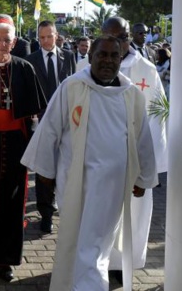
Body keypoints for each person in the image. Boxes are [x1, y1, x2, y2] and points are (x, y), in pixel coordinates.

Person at [21, 35, 157, 291]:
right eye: (101, 55)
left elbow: (142, 139)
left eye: (113, 56)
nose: (107, 61)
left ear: (120, 58)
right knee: (79, 240)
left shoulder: (131, 95)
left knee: (95, 243)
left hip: (113, 186)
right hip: (75, 181)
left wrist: (143, 178)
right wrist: (45, 172)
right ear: (90, 57)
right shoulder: (72, 87)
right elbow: (50, 128)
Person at [0, 16, 46, 281]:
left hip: (16, 144)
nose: (3, 44)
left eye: (7, 40)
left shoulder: (25, 68)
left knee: (13, 203)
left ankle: (5, 259)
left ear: (14, 42)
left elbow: (35, 114)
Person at [101, 17, 168, 280]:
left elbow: (158, 113)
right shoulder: (89, 63)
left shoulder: (147, 70)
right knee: (101, 210)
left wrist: (151, 164)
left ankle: (124, 264)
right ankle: (100, 261)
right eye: (111, 36)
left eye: (122, 37)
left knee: (134, 212)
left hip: (134, 156)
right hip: (101, 155)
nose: (118, 42)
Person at [25, 20, 76, 233]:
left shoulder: (69, 56)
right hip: (43, 122)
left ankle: (62, 206)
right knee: (44, 170)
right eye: (42, 37)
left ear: (57, 36)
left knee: (64, 167)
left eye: (49, 36)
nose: (45, 41)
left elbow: (73, 85)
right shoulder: (30, 60)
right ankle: (45, 214)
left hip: (67, 122)